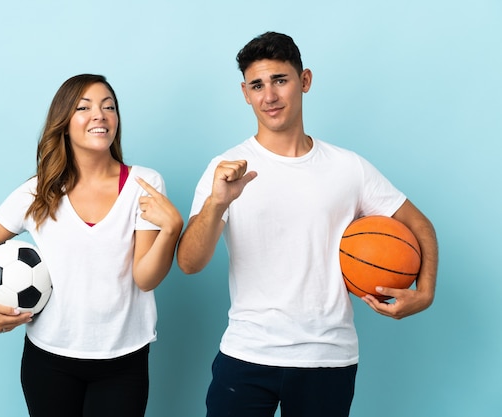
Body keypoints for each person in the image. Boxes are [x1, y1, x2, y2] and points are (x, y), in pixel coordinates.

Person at [176, 32, 438, 417]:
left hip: (328, 357)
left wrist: (426, 292)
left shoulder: (349, 168)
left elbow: (421, 225)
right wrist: (217, 204)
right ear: (245, 93)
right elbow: (189, 263)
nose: (269, 96)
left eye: (280, 80)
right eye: (257, 85)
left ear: (305, 81)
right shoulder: (226, 169)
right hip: (248, 353)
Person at [0, 74, 183, 417]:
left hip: (123, 360)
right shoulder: (39, 191)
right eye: (84, 107)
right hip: (49, 360)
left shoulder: (144, 184)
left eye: (109, 107)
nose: (100, 115)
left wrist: (172, 230)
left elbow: (145, 278)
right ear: (63, 122)